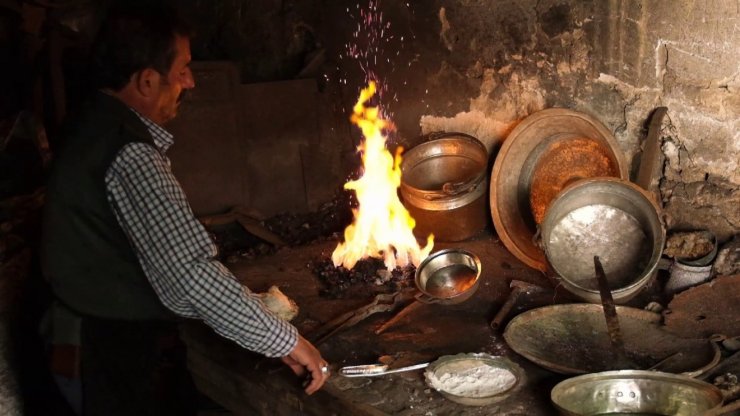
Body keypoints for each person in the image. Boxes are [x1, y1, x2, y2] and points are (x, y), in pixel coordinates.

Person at [40, 3, 329, 415]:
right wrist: (287, 341)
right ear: (146, 81)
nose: (190, 82)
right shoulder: (130, 154)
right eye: (182, 70)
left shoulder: (90, 121)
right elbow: (189, 275)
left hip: (82, 334)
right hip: (107, 351)